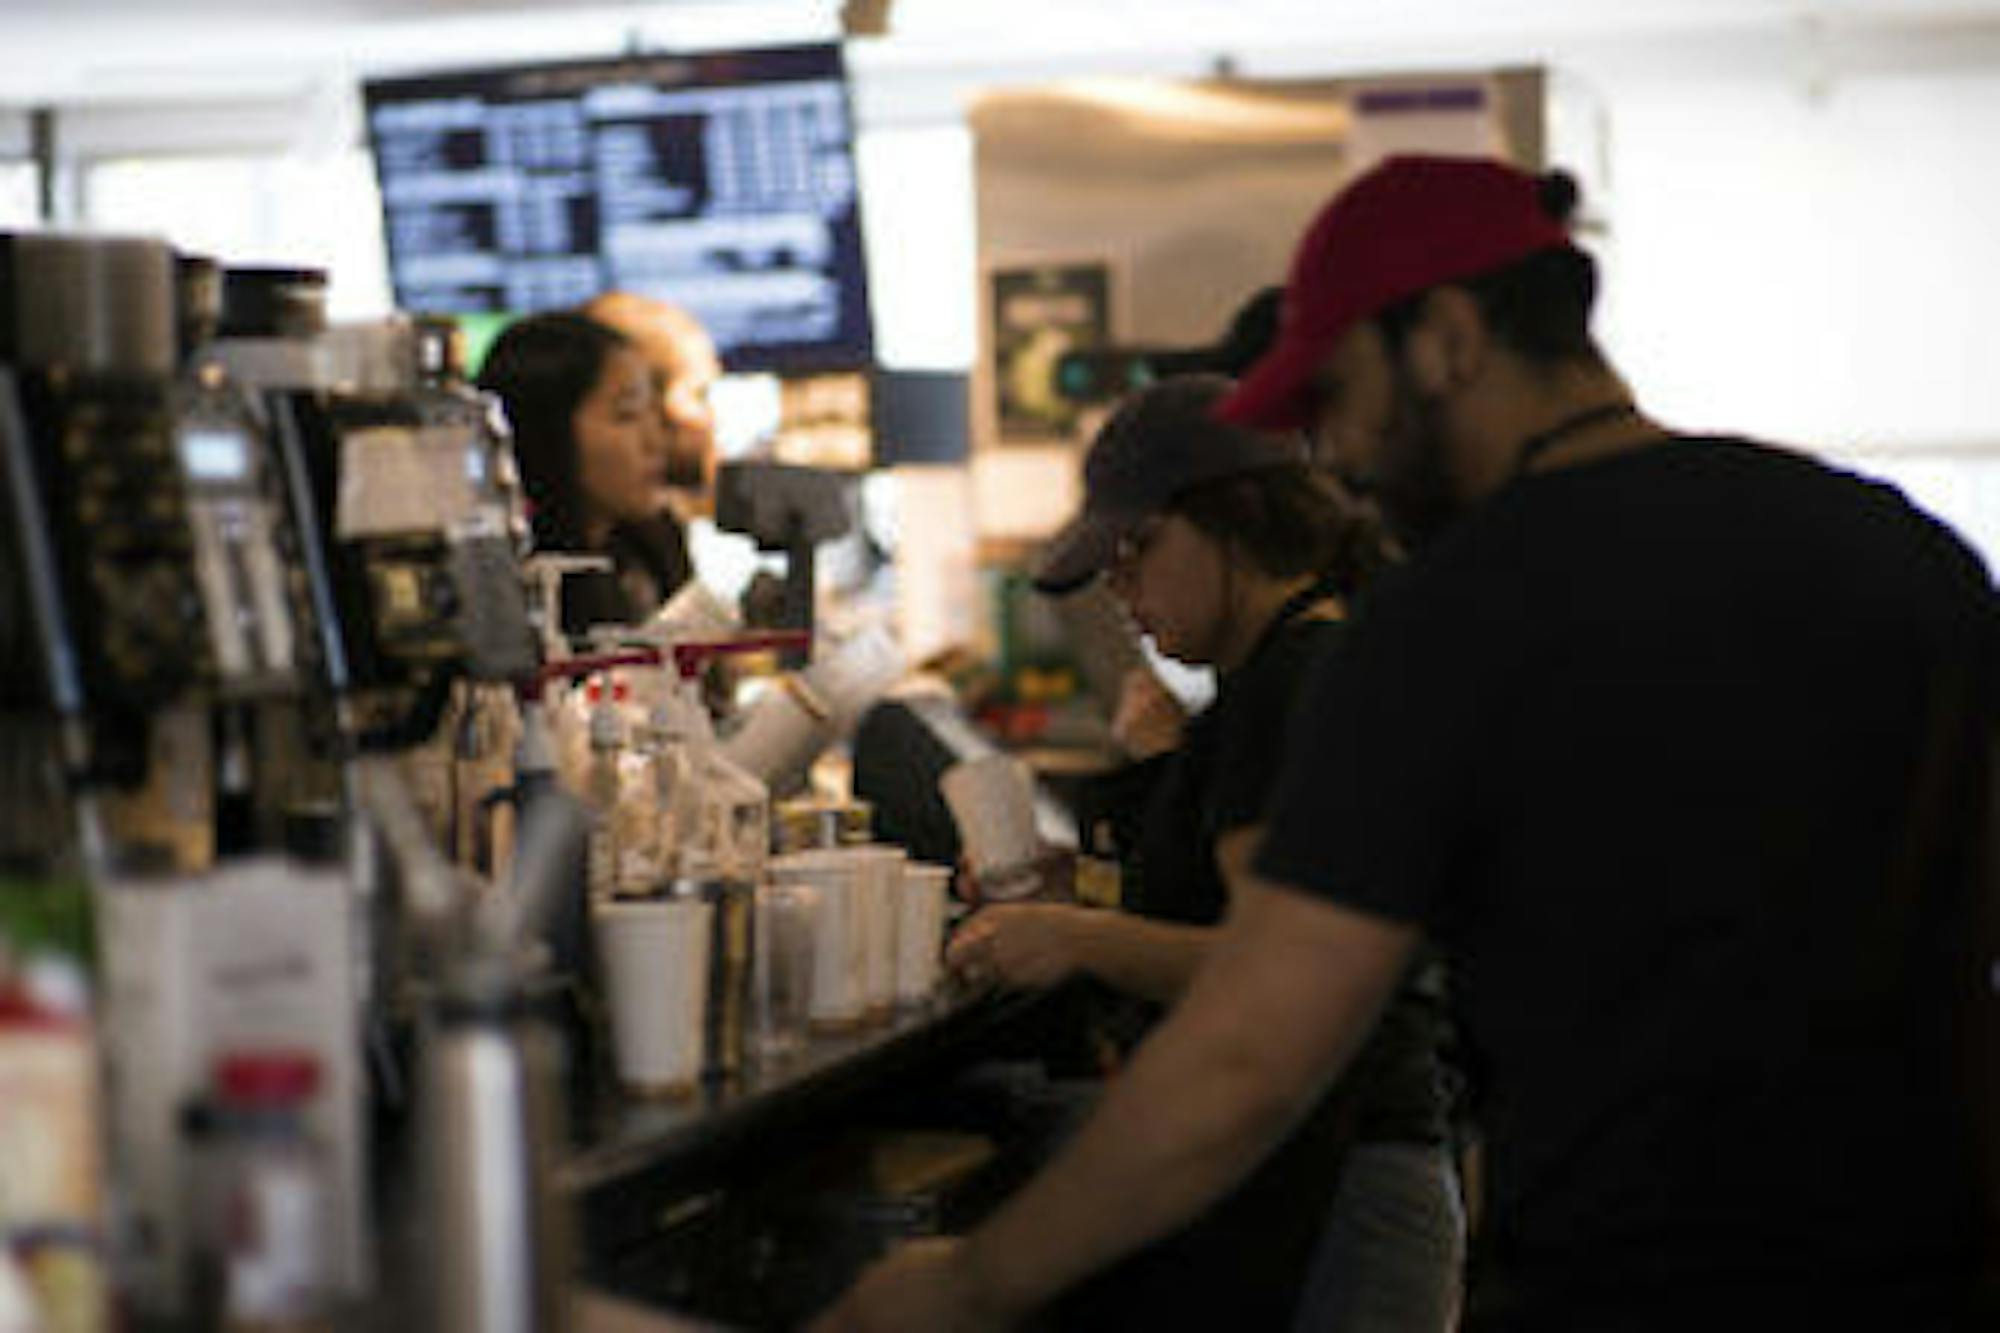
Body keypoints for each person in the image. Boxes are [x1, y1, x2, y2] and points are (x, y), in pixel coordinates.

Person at [811, 154, 1999, 1333]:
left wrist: (973, 1282)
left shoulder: (1449, 620)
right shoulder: (1899, 554)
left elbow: (1254, 1048)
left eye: (1336, 395)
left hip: (1633, 1283)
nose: (1338, 456)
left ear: (1442, 337)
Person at [944, 372, 1459, 1332]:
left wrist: (1077, 936)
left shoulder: (1293, 683)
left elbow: (1274, 973)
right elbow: (1240, 914)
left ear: (1235, 518)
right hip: (1322, 1171)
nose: (1120, 585)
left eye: (1138, 549)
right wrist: (1087, 890)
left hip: (1346, 1184)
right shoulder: (1279, 673)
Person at [477, 310, 690, 637]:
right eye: (627, 415)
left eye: (653, 411)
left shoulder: (651, 555)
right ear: (545, 433)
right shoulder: (508, 588)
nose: (655, 440)